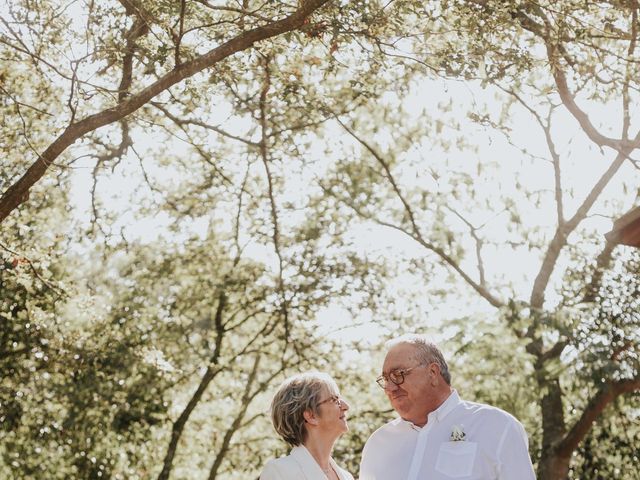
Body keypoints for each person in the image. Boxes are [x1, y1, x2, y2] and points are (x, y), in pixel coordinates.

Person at [360, 334, 536, 480]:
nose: (390, 387)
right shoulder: (378, 443)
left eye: (398, 375)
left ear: (433, 373)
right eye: (385, 379)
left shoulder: (497, 426)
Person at [260, 371, 354, 480]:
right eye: (334, 399)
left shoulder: (347, 477)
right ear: (311, 416)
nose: (346, 406)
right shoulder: (280, 472)